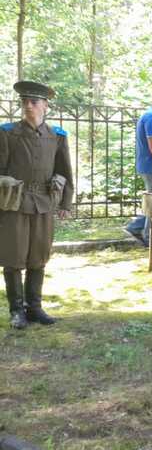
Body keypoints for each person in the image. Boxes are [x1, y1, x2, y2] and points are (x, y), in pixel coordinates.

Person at [0, 81, 74, 329]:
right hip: (14, 203)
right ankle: (16, 311)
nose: (28, 106)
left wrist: (65, 203)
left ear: (45, 105)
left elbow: (65, 171)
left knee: (38, 256)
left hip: (43, 202)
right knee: (13, 256)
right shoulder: (7, 133)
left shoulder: (57, 136)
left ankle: (35, 308)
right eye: (24, 102)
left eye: (34, 102)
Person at [124, 106, 152, 247]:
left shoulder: (148, 114)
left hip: (146, 165)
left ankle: (136, 227)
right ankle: (146, 234)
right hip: (151, 166)